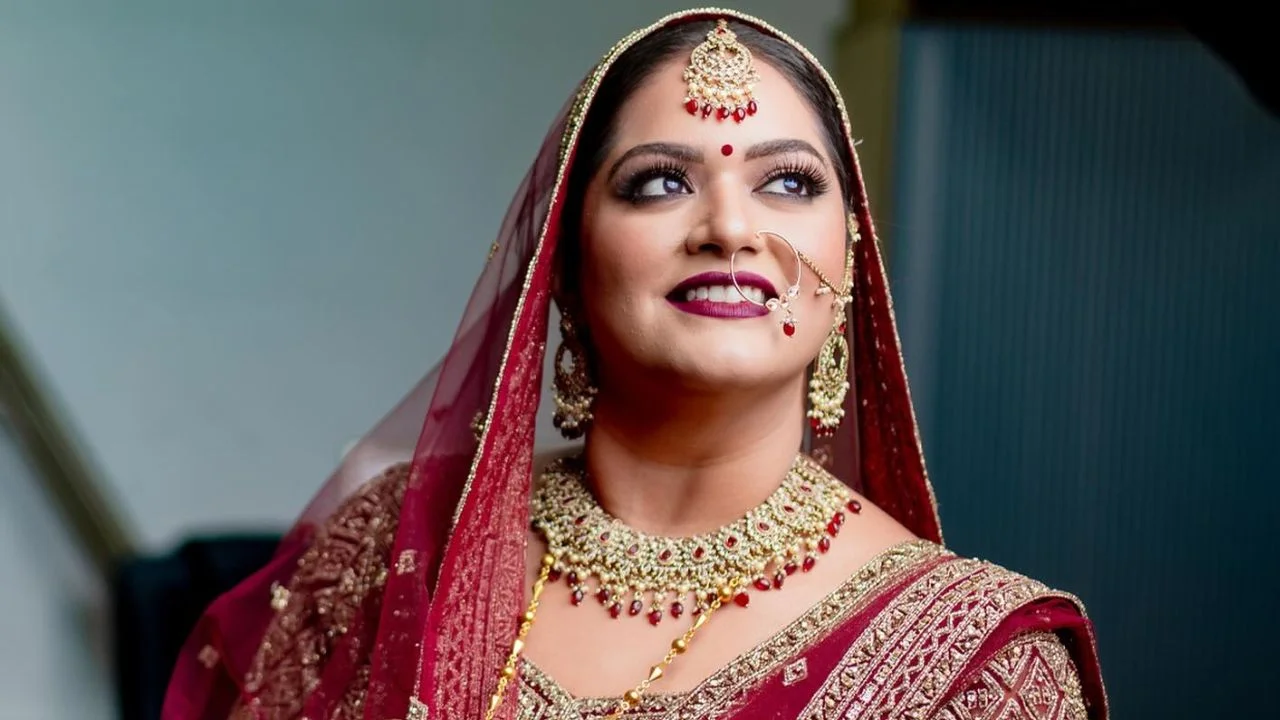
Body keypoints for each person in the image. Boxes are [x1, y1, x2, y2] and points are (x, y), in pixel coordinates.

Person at [162, 9, 1107, 720]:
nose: (732, 228)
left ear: (852, 264)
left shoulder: (979, 668)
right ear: (563, 268)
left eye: (788, 182)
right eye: (661, 182)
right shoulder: (390, 552)